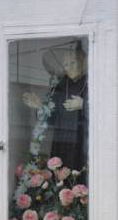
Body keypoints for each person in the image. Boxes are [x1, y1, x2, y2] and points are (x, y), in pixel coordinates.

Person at [23, 44, 88, 172]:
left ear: (81, 62)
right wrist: (40, 106)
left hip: (81, 139)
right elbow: (52, 118)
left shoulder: (90, 82)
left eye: (73, 62)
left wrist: (83, 104)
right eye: (66, 64)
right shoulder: (59, 87)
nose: (69, 67)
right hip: (61, 139)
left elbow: (102, 110)